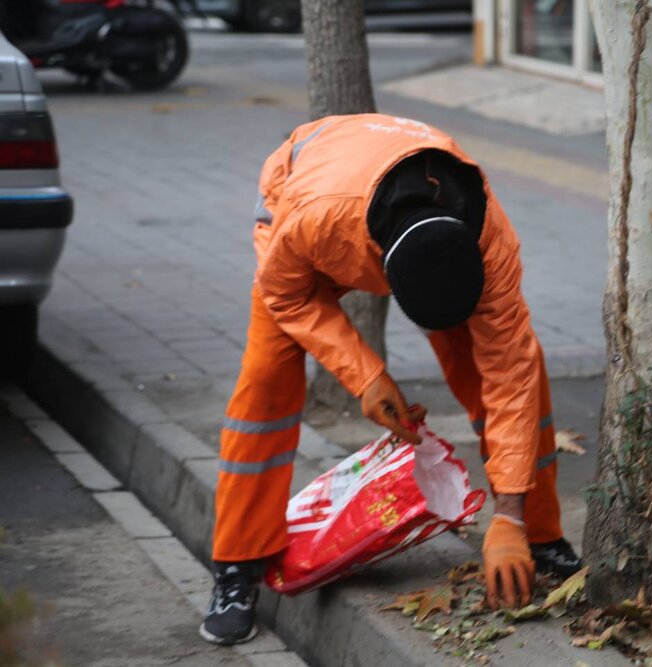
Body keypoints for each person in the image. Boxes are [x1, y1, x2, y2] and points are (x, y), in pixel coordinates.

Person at [199, 114, 582, 646]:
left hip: (377, 195)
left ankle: (535, 535)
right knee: (265, 382)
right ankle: (237, 565)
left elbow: (510, 377)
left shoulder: (489, 241)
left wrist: (510, 516)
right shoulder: (317, 220)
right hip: (307, 202)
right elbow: (283, 293)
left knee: (519, 368)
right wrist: (367, 376)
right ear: (381, 274)